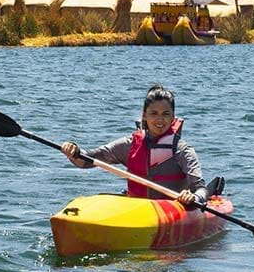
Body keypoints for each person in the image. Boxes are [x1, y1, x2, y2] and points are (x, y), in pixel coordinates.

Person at [61, 84, 208, 208]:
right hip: (136, 209)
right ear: (144, 115)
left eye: (165, 114)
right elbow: (87, 160)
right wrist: (74, 150)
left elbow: (201, 189)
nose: (160, 120)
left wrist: (192, 198)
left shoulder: (181, 150)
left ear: (173, 117)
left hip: (170, 209)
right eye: (154, 113)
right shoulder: (129, 145)